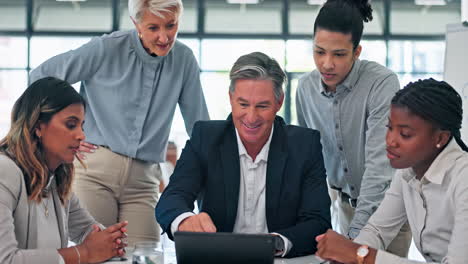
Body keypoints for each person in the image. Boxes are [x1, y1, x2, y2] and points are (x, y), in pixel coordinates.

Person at [29, 0, 209, 246]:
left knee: (146, 256)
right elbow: (39, 77)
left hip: (144, 180)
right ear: (136, 23)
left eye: (171, 25)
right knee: (93, 255)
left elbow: (199, 126)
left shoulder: (185, 60)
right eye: (153, 27)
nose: (165, 37)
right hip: (94, 174)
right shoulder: (105, 48)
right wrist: (66, 134)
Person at [156, 52, 331, 257]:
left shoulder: (304, 145)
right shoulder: (206, 137)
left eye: (262, 106)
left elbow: (318, 221)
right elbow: (172, 198)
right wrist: (185, 220)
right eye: (243, 104)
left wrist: (273, 243)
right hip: (218, 260)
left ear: (279, 102)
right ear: (231, 99)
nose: (251, 117)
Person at [295, 0, 410, 255]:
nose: (326, 64)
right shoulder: (304, 88)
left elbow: (379, 167)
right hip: (344, 206)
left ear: (357, 52)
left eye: (338, 54)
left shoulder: (381, 83)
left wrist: (352, 239)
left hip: (388, 208)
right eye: (319, 51)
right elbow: (307, 161)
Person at [315, 78, 468, 264]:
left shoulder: (463, 178)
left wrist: (360, 255)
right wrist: (346, 256)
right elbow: (378, 230)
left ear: (441, 138)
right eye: (389, 128)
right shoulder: (408, 172)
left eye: (405, 134)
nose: (390, 141)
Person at [0, 77, 128, 264]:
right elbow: (6, 260)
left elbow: (87, 231)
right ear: (38, 127)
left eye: (82, 125)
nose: (82, 135)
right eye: (70, 124)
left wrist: (110, 241)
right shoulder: (4, 171)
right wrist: (83, 254)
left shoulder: (56, 178)